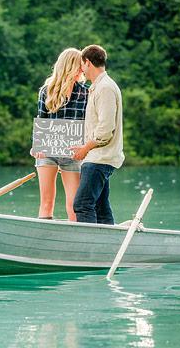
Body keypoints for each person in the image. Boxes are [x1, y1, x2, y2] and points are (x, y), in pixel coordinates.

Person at [30, 48, 88, 221]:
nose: (83, 69)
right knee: (46, 201)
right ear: (71, 66)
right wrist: (36, 145)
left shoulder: (86, 92)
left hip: (73, 153)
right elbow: (42, 119)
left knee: (73, 205)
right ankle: (44, 238)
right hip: (47, 152)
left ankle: (74, 240)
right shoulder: (46, 91)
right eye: (80, 65)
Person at [69, 44, 124, 225]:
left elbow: (105, 129)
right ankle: (108, 247)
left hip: (99, 158)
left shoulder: (105, 88)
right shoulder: (97, 87)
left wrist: (85, 148)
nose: (81, 69)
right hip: (98, 158)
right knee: (100, 207)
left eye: (82, 65)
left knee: (82, 204)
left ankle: (88, 249)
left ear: (88, 62)